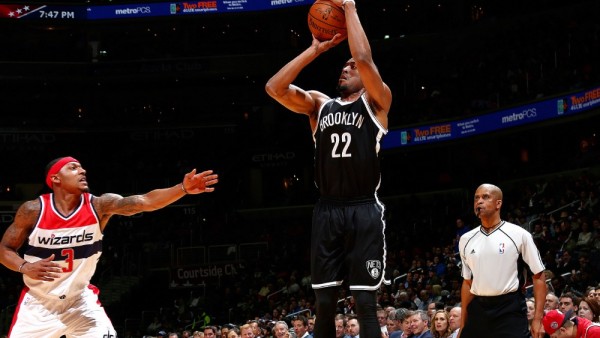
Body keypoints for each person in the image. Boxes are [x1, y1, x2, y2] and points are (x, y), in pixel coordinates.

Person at [265, 0, 392, 337]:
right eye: (344, 66)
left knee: (365, 304)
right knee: (323, 303)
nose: (347, 68)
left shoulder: (377, 102)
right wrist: (313, 51)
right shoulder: (319, 105)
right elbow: (274, 88)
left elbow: (364, 58)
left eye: (352, 67)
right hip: (328, 210)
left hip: (364, 208)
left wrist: (349, 8)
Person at [0, 156, 218, 337]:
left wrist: (182, 189)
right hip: (39, 305)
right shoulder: (33, 210)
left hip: (80, 302)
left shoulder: (99, 205)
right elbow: (5, 249)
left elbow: (144, 201)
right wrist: (23, 267)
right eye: (73, 167)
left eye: (82, 167)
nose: (82, 170)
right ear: (55, 178)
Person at [458, 183, 547, 338]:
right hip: (478, 308)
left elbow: (539, 276)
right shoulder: (466, 239)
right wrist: (463, 324)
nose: (479, 201)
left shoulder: (519, 234)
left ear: (498, 203)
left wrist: (538, 319)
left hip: (509, 307)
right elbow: (467, 283)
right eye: (476, 198)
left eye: (485, 197)